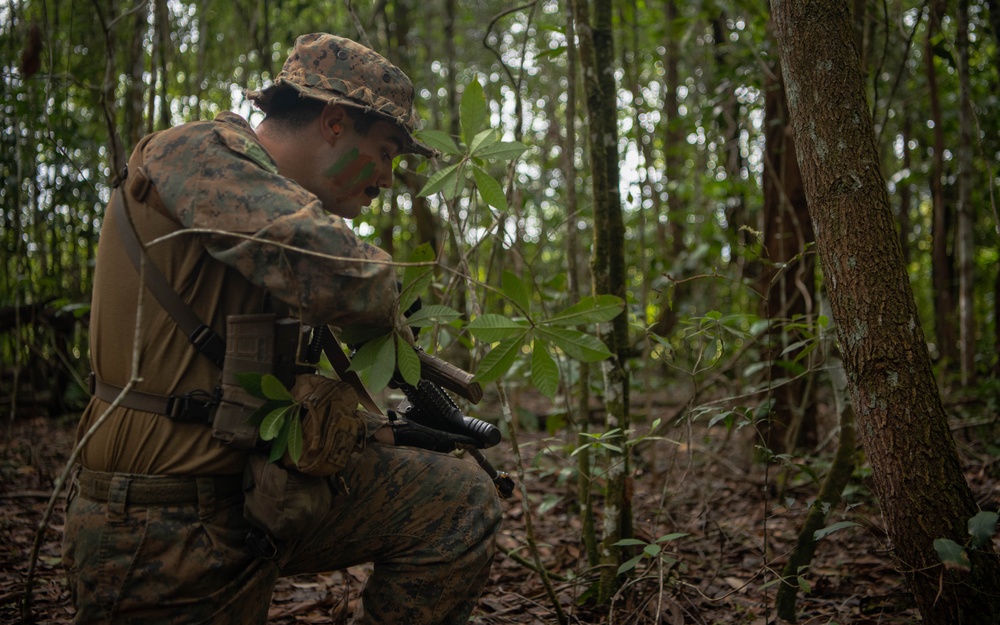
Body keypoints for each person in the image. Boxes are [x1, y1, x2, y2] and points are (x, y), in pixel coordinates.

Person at [62, 33, 502, 624]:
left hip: (249, 500)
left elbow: (260, 388)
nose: (387, 179)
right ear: (336, 123)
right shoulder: (197, 152)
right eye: (387, 151)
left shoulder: (267, 210)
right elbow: (356, 283)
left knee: (460, 498)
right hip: (157, 527)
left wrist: (380, 431)